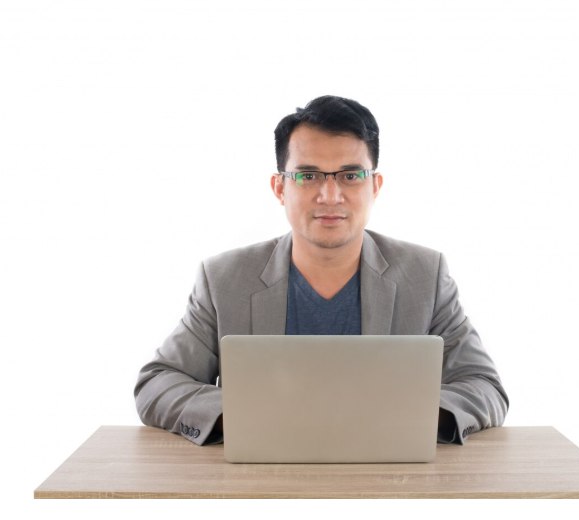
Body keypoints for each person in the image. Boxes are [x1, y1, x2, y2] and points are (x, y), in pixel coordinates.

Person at [134, 95, 508, 445]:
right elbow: (158, 383)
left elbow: (483, 386)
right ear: (279, 188)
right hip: (261, 475)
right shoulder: (224, 279)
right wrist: (247, 414)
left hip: (387, 476)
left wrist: (404, 416)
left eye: (350, 175)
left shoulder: (425, 276)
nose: (330, 196)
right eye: (308, 176)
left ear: (375, 186)